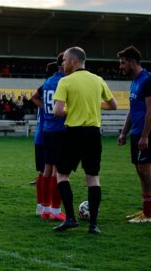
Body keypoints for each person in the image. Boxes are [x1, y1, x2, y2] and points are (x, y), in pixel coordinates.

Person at [51, 47, 117, 234]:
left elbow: (57, 111)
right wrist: (92, 104)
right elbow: (113, 105)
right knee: (93, 178)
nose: (62, 63)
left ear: (73, 61)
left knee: (62, 175)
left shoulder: (66, 81)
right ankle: (93, 224)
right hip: (93, 134)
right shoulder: (98, 80)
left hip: (73, 133)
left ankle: (71, 218)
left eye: (64, 59)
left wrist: (72, 109)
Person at [117, 46, 151, 224]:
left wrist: (145, 136)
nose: (121, 66)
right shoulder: (134, 81)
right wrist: (124, 132)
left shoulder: (149, 80)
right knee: (140, 171)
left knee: (145, 170)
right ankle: (145, 211)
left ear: (133, 62)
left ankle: (149, 214)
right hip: (136, 134)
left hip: (147, 134)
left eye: (123, 63)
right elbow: (132, 110)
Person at [30, 57, 66, 222]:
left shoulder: (46, 85)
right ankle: (53, 209)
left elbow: (34, 97)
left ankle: (42, 207)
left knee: (45, 171)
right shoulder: (63, 83)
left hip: (42, 134)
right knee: (55, 171)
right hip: (53, 133)